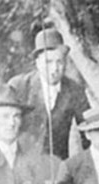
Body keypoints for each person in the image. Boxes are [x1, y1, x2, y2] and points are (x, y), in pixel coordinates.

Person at [8, 27, 90, 160]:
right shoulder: (19, 86)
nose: (55, 68)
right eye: (48, 62)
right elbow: (0, 129)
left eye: (59, 62)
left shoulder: (74, 90)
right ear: (37, 62)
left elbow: (89, 133)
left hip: (56, 166)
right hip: (22, 166)